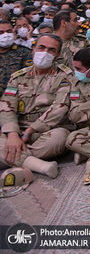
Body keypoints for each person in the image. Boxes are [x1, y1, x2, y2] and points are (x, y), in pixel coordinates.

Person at [0, 34, 72, 178]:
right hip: (19, 128)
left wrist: (31, 131)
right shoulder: (18, 77)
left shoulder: (66, 77)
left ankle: (12, 157)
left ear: (57, 56)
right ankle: (40, 165)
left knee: (60, 138)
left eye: (51, 50)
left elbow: (60, 108)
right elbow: (7, 107)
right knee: (7, 139)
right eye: (41, 47)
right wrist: (13, 134)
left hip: (47, 131)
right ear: (33, 50)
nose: (45, 52)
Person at [0, 19, 31, 95]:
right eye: (1, 32)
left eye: (9, 31)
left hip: (12, 97)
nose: (6, 34)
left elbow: (27, 80)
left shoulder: (24, 53)